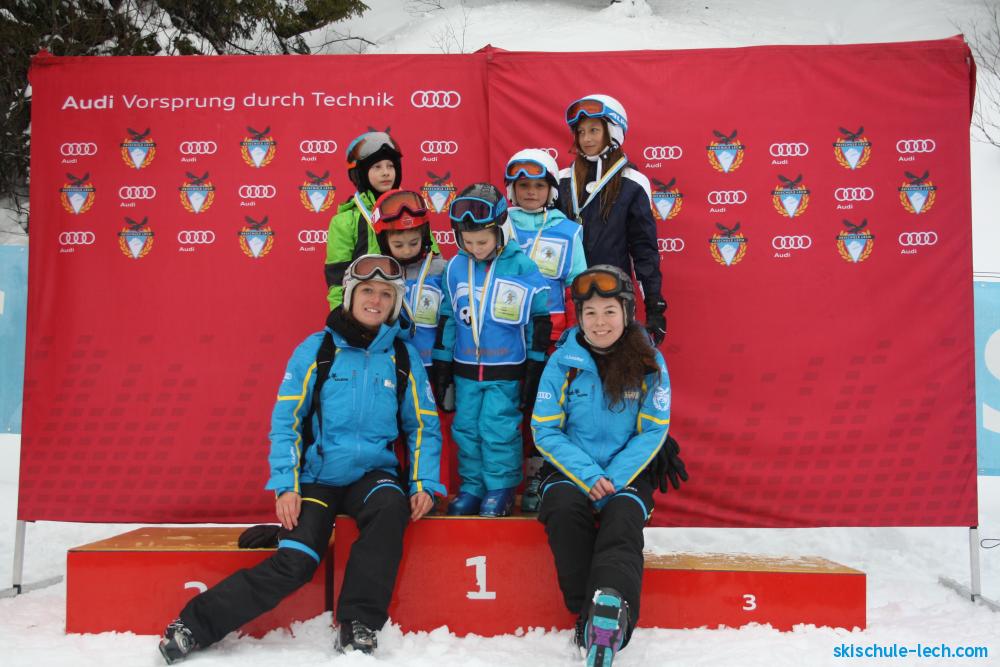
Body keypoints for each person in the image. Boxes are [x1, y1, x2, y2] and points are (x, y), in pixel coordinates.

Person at [158, 254, 445, 664]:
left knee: (390, 508)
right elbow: (287, 421)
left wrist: (422, 483)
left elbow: (423, 425)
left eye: (386, 294)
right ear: (350, 295)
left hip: (372, 475)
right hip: (318, 477)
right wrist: (286, 485)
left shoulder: (402, 357)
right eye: (367, 290)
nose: (376, 300)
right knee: (296, 562)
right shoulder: (317, 349)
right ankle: (193, 625)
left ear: (396, 303)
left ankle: (358, 623)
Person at [530, 264, 684, 667]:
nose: (600, 322)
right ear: (579, 317)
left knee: (622, 522)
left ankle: (612, 616)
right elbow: (545, 429)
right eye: (590, 313)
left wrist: (612, 479)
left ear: (627, 312)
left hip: (625, 474)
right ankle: (588, 613)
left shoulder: (649, 361)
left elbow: (653, 430)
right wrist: (589, 476)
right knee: (563, 512)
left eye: (609, 311)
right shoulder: (562, 362)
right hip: (571, 470)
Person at [431, 183, 551, 518]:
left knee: (498, 430)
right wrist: (442, 364)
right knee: (466, 430)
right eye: (467, 242)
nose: (475, 249)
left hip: (506, 369)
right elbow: (448, 317)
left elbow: (539, 319)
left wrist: (535, 365)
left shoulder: (522, 266)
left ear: (501, 231)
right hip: (465, 370)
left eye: (482, 242)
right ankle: (472, 487)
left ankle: (500, 489)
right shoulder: (455, 268)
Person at [503, 148, 587, 513]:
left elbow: (576, 287)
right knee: (506, 410)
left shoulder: (567, 230)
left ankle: (540, 476)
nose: (531, 193)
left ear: (551, 190)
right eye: (523, 186)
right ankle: (505, 481)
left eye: (539, 186)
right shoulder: (500, 225)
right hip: (504, 335)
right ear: (512, 190)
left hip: (550, 339)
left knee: (544, 408)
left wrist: (573, 338)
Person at [557, 94, 668, 346]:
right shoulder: (562, 180)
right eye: (581, 132)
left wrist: (654, 305)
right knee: (571, 364)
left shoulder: (632, 182)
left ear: (614, 132)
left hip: (612, 295)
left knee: (614, 364)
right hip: (568, 297)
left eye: (594, 130)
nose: (586, 138)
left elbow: (644, 249)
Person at [324, 129, 403, 310]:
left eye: (390, 166)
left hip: (405, 307)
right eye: (377, 167)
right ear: (359, 173)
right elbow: (337, 277)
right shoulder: (345, 221)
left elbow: (431, 264)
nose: (386, 173)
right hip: (366, 310)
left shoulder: (411, 210)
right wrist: (340, 314)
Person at [370, 188, 448, 369]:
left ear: (424, 236)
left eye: (414, 243)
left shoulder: (440, 269)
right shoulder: (378, 273)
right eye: (398, 245)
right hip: (392, 365)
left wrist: (445, 359)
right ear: (384, 242)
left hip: (433, 363)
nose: (407, 250)